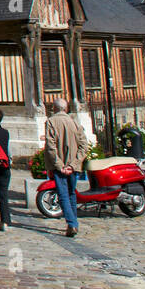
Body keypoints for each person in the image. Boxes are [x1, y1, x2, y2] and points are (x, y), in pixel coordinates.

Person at [44, 98, 90, 237]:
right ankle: (73, 222)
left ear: (54, 108)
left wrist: (60, 166)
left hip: (60, 166)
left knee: (63, 195)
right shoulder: (75, 123)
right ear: (66, 108)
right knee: (71, 193)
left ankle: (72, 223)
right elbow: (84, 146)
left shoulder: (51, 122)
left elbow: (50, 146)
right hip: (72, 167)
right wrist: (73, 165)